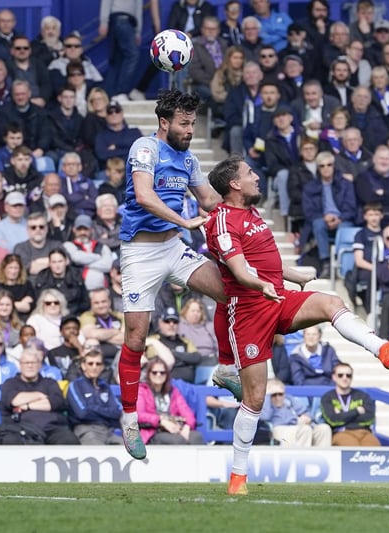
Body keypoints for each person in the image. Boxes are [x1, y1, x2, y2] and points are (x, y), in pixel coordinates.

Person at [205, 155, 389, 495]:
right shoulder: (223, 221)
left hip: (277, 296)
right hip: (248, 313)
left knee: (331, 301)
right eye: (250, 173)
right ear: (234, 184)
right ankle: (238, 477)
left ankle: (384, 350)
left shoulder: (251, 213)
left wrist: (294, 274)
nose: (257, 177)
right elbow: (240, 270)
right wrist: (261, 285)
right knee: (256, 397)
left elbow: (265, 262)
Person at [116, 90, 232, 460]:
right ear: (164, 123)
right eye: (184, 124)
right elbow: (145, 195)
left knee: (230, 293)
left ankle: (227, 367)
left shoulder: (189, 159)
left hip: (173, 248)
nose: (190, 130)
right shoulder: (144, 149)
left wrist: (243, 211)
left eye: (193, 123)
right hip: (140, 252)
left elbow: (210, 201)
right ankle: (130, 418)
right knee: (136, 338)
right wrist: (185, 221)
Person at [0, 346, 79, 445]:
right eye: (26, 363)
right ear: (20, 365)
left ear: (40, 365)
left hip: (53, 429)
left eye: (33, 362)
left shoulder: (50, 383)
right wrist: (39, 395)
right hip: (21, 430)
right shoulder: (10, 383)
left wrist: (27, 406)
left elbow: (56, 402)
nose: (30, 366)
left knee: (70, 441)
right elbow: (15, 400)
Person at [136, 357, 203, 446]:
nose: (158, 375)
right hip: (153, 430)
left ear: (167, 374)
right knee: (178, 440)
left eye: (162, 372)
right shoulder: (141, 390)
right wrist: (161, 421)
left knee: (196, 437)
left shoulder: (173, 391)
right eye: (154, 372)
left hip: (175, 427)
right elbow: (139, 415)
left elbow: (187, 413)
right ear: (149, 374)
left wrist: (187, 427)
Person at [67, 347, 122, 445]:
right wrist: (106, 412)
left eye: (98, 364)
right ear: (83, 366)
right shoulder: (75, 385)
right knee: (98, 452)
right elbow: (82, 413)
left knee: (129, 451)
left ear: (102, 367)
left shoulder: (105, 386)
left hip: (108, 430)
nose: (94, 367)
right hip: (87, 429)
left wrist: (92, 407)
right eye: (90, 363)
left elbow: (117, 411)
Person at [320, 362, 381, 447]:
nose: (345, 378)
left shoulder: (363, 396)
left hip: (365, 432)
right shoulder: (327, 397)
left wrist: (342, 415)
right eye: (340, 375)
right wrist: (357, 411)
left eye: (348, 375)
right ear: (334, 377)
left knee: (374, 449)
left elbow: (369, 418)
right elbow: (333, 420)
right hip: (341, 432)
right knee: (352, 449)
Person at [261, 378, 331, 447]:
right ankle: (303, 458)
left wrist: (306, 418)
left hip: (298, 426)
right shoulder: (265, 403)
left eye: (280, 394)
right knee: (305, 430)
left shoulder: (289, 400)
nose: (277, 397)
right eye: (274, 395)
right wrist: (267, 396)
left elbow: (307, 412)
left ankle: (323, 457)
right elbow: (265, 417)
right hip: (279, 428)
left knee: (324, 429)